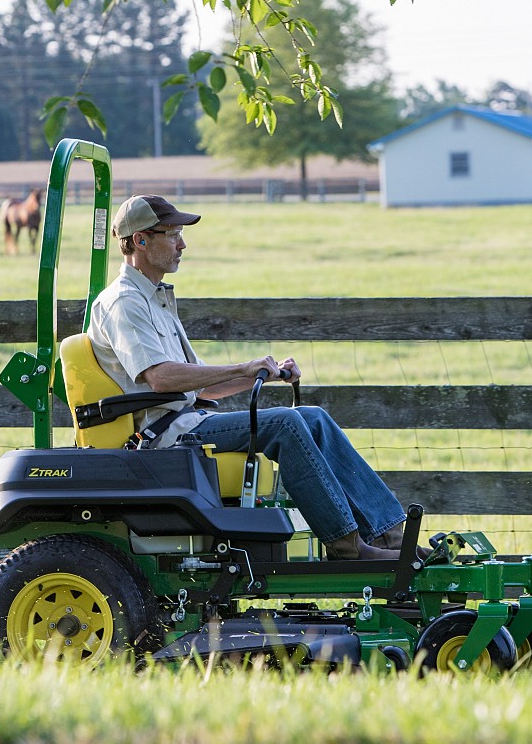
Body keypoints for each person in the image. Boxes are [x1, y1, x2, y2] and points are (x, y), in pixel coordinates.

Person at [87, 194, 412, 561]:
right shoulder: (123, 303)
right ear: (141, 241)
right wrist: (241, 369)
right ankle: (347, 547)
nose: (182, 243)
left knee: (313, 418)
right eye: (173, 233)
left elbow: (198, 386)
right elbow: (161, 378)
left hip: (189, 420)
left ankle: (389, 539)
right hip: (162, 436)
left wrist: (261, 375)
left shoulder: (153, 299)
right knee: (286, 424)